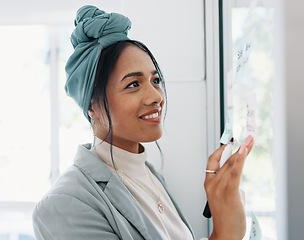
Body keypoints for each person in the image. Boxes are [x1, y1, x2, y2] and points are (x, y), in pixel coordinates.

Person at [33, 5, 255, 240]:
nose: (156, 96)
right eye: (133, 84)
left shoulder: (150, 175)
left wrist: (224, 203)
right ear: (92, 106)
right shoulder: (63, 205)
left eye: (155, 80)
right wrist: (225, 234)